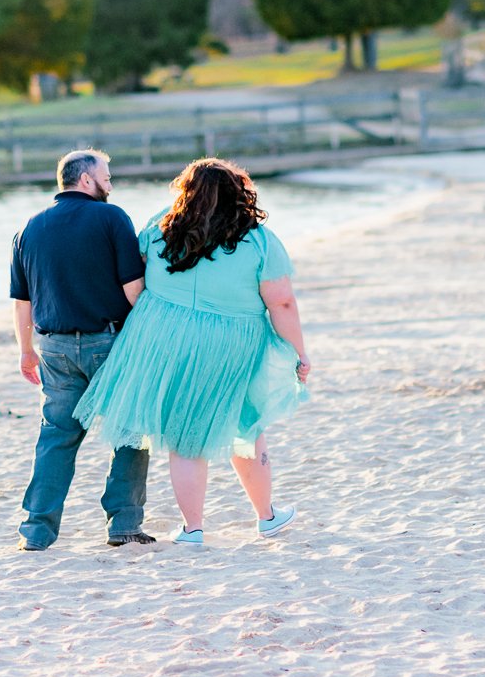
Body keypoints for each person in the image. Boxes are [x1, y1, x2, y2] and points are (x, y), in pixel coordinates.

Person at [74, 157, 310, 545]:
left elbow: (135, 274)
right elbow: (281, 302)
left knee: (185, 434)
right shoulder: (258, 238)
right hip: (230, 340)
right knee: (246, 423)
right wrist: (299, 352)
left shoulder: (161, 224)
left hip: (162, 335)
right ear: (239, 192)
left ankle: (193, 529)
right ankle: (266, 516)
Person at [10, 149, 152, 551]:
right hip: (108, 344)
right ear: (86, 179)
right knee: (129, 431)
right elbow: (133, 289)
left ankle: (37, 531)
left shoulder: (30, 227)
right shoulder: (111, 217)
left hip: (52, 347)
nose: (111, 184)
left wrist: (25, 350)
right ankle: (123, 524)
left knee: (56, 437)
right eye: (106, 176)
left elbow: (22, 301)